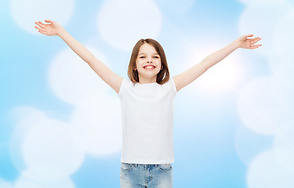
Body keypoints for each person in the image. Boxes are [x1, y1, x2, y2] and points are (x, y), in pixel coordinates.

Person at [34, 20, 262, 188]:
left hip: (162, 170)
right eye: (143, 56)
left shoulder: (169, 88)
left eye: (154, 56)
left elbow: (205, 64)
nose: (149, 60)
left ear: (162, 64)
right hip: (130, 170)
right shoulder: (124, 88)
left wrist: (235, 44)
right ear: (134, 65)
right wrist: (61, 32)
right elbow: (90, 59)